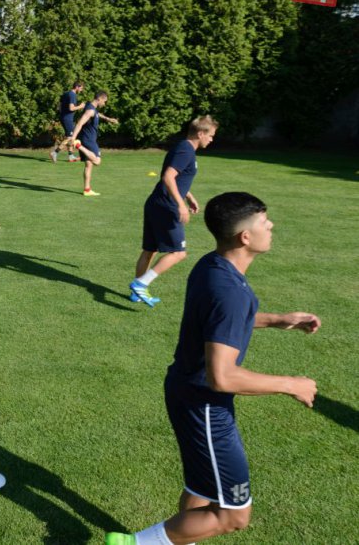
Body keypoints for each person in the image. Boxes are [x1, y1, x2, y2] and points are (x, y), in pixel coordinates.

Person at [106, 192, 320, 545]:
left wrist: (276, 319)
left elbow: (218, 321)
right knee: (233, 515)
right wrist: (291, 384)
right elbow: (223, 376)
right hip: (204, 405)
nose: (271, 226)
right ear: (245, 237)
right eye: (264, 222)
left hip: (187, 392)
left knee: (201, 489)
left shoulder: (212, 265)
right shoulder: (230, 290)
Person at [130, 116, 218, 307]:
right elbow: (168, 176)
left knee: (150, 250)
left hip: (156, 203)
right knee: (178, 253)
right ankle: (140, 284)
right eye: (211, 135)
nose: (212, 139)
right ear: (200, 133)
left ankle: (136, 294)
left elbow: (177, 178)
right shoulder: (186, 150)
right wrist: (180, 204)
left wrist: (188, 196)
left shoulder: (183, 147)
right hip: (166, 206)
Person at [66, 91, 119, 196]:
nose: (104, 104)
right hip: (88, 140)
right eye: (104, 101)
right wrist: (73, 138)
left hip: (87, 138)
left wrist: (108, 119)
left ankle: (87, 190)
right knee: (97, 161)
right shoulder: (90, 110)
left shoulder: (90, 107)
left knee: (89, 165)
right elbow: (80, 123)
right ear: (99, 99)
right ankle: (78, 146)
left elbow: (97, 114)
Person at [51, 80, 85, 163]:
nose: (81, 90)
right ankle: (55, 153)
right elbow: (71, 108)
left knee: (70, 137)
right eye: (81, 88)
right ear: (77, 87)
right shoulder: (72, 95)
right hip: (67, 119)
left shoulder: (66, 93)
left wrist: (63, 114)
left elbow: (59, 106)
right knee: (70, 137)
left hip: (64, 117)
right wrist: (80, 106)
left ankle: (70, 156)